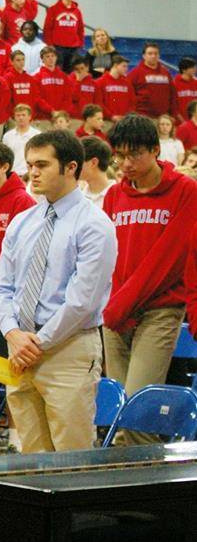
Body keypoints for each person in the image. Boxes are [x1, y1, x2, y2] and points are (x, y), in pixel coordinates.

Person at [0, 128, 117, 453]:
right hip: (21, 350)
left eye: (43, 164)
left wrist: (35, 343)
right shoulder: (22, 222)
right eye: (31, 164)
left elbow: (83, 302)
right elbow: (1, 287)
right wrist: (13, 334)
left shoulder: (94, 223)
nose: (33, 172)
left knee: (72, 459)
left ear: (71, 167)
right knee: (31, 460)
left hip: (68, 349)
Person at [102, 114, 197, 442]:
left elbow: (168, 261)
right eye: (119, 155)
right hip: (116, 312)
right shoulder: (115, 195)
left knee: (137, 413)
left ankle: (151, 485)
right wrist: (114, 305)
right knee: (117, 414)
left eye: (134, 155)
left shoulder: (185, 191)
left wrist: (119, 305)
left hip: (158, 309)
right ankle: (120, 482)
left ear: (156, 150)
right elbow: (108, 257)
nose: (126, 163)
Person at [80, 136, 113, 206]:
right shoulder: (79, 196)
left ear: (93, 163)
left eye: (79, 162)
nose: (74, 167)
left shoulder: (117, 195)